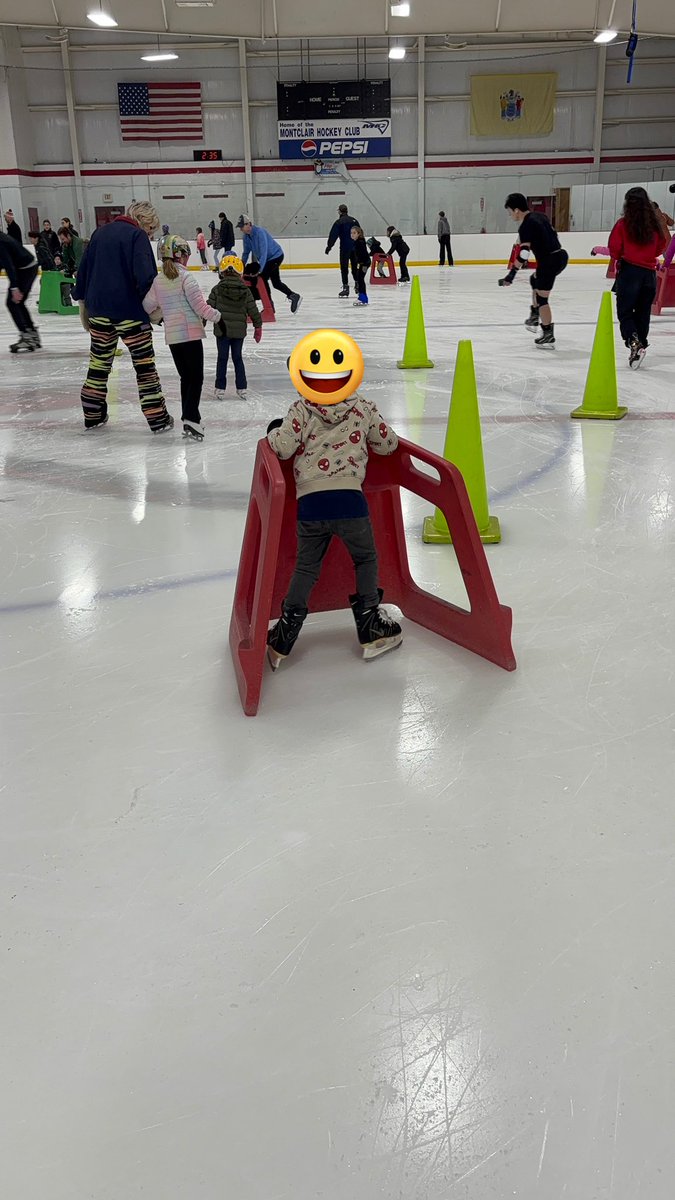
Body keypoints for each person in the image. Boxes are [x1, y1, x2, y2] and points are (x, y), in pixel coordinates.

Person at [265, 329, 402, 669]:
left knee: (306, 567)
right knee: (365, 559)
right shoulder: (363, 408)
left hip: (311, 504)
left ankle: (284, 636)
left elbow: (282, 447)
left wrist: (274, 430)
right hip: (350, 502)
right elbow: (389, 444)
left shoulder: (300, 409)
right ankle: (370, 625)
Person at [72, 200, 173, 433]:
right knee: (144, 367)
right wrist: (156, 311)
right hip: (130, 314)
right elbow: (146, 278)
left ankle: (93, 414)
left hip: (98, 312)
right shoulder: (137, 236)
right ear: (144, 221)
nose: (150, 235)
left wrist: (82, 302)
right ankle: (157, 418)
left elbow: (83, 270)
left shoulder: (99, 233)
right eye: (151, 229)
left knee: (98, 365)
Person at [142, 234, 221, 440]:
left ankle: (189, 417)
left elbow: (147, 306)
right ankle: (191, 420)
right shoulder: (186, 278)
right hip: (190, 336)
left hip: (173, 339)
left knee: (186, 378)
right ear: (181, 255)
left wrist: (162, 312)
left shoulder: (158, 280)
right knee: (196, 379)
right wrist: (217, 316)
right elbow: (200, 307)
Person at [499, 192, 569, 347]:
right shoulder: (540, 216)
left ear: (516, 210)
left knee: (543, 299)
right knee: (534, 279)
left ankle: (547, 332)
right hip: (560, 255)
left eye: (510, 212)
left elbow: (524, 253)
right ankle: (535, 314)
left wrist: (511, 274)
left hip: (549, 261)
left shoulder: (525, 226)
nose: (510, 215)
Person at [608, 187, 666, 369]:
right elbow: (661, 246)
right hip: (649, 275)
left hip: (630, 272)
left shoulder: (623, 224)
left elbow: (614, 249)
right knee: (642, 313)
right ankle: (639, 344)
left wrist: (623, 255)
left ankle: (634, 343)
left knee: (625, 312)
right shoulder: (654, 226)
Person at [207, 254, 262, 401]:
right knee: (238, 358)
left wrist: (202, 321)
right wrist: (258, 327)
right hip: (238, 332)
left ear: (222, 272)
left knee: (222, 358)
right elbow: (253, 310)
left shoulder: (217, 289)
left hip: (222, 330)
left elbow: (208, 308)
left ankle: (220, 388)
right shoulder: (245, 290)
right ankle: (242, 387)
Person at [237, 214, 302, 313]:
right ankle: (293, 296)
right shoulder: (246, 237)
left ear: (248, 224)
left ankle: (269, 307)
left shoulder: (260, 232)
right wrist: (241, 267)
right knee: (276, 283)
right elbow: (246, 253)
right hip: (267, 260)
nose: (241, 229)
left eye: (242, 226)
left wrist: (260, 270)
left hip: (276, 256)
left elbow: (264, 252)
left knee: (262, 278)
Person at [0, 230, 40, 353]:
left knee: (12, 303)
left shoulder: (0, 241)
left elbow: (8, 264)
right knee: (19, 303)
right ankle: (32, 334)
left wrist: (14, 287)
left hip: (25, 269)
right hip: (28, 267)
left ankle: (27, 336)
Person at [325, 203, 359, 298]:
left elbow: (333, 235)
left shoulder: (339, 222)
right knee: (355, 267)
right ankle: (358, 284)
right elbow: (360, 234)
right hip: (355, 248)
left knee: (344, 268)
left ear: (340, 212)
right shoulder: (354, 221)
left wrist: (329, 247)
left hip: (345, 248)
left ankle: (345, 288)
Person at [350, 226, 371, 306]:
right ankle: (362, 297)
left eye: (354, 233)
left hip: (364, 263)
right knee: (359, 279)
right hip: (362, 263)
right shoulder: (357, 241)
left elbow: (362, 254)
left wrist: (361, 262)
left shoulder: (360, 242)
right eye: (351, 233)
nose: (352, 235)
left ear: (359, 233)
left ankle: (363, 298)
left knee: (360, 279)